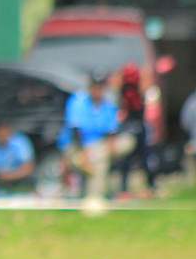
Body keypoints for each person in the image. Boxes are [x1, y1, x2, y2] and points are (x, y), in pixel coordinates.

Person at [58, 71, 134, 200]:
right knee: (99, 163)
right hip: (77, 147)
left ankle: (94, 195)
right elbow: (76, 131)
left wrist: (111, 147)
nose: (97, 90)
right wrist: (85, 153)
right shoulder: (78, 101)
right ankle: (95, 196)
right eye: (95, 86)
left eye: (100, 87)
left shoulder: (109, 105)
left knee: (127, 141)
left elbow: (111, 131)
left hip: (99, 148)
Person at [114, 62, 157, 197]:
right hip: (128, 126)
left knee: (145, 157)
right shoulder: (122, 91)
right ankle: (124, 189)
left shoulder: (141, 89)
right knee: (126, 159)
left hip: (139, 124)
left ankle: (150, 187)